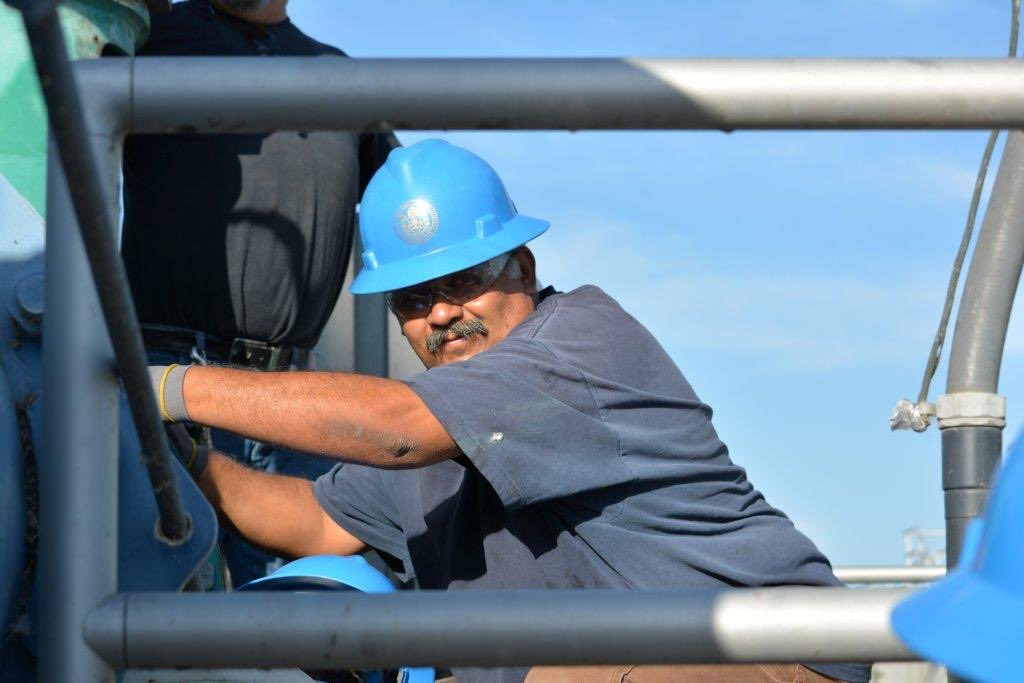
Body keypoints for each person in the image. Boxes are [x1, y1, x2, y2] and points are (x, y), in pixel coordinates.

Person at [151, 139, 870, 683]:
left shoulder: (580, 339)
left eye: (463, 280)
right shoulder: (435, 425)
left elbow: (399, 430)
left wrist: (167, 383)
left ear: (522, 269)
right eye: (411, 299)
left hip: (772, 654)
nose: (439, 313)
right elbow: (309, 516)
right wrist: (183, 460)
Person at [120, 0, 397, 585]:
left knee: (304, 629)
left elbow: (406, 204)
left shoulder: (340, 75)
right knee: (158, 612)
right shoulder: (151, 39)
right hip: (167, 379)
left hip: (295, 399)